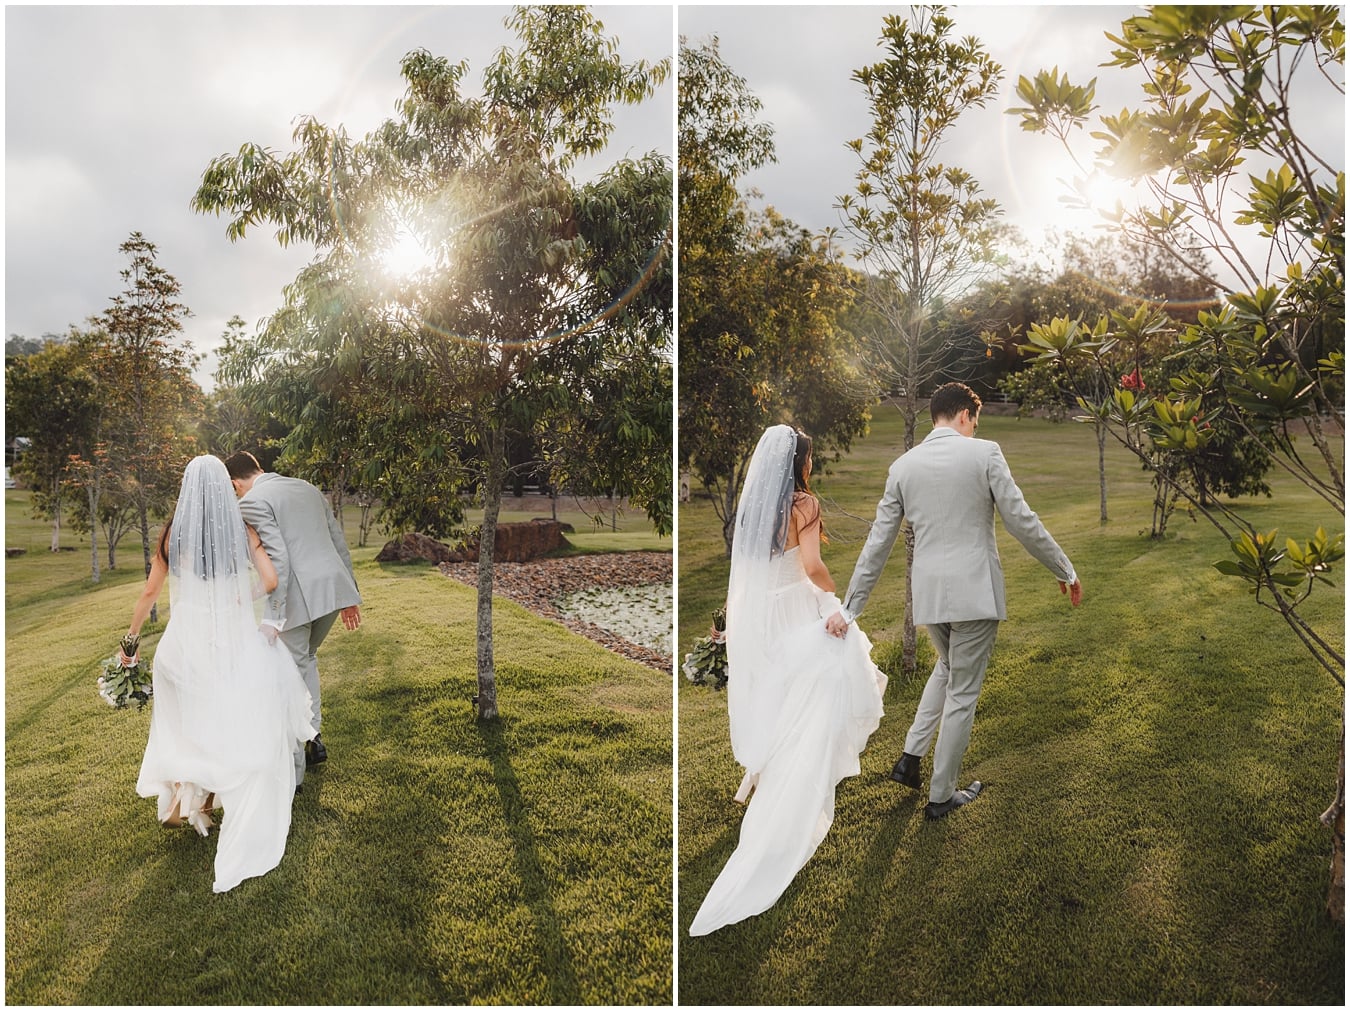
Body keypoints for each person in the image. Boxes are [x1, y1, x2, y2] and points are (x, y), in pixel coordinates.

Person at [825, 382, 1083, 820]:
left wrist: (851, 607)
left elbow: (878, 544)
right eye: (974, 422)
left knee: (948, 668)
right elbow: (1021, 520)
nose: (974, 429)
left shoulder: (902, 467)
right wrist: (1065, 569)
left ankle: (909, 757)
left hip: (930, 598)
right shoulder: (984, 453)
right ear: (965, 415)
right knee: (963, 690)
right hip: (976, 595)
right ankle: (941, 795)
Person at [689, 425, 887, 936]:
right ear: (800, 462)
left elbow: (749, 574)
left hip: (761, 618)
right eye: (811, 458)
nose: (812, 467)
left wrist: (730, 626)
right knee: (823, 684)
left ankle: (759, 777)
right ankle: (796, 778)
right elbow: (813, 565)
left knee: (777, 695)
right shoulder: (804, 505)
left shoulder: (755, 512)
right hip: (798, 607)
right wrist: (836, 598)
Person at [124, 455, 316, 892]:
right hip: (226, 644)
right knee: (224, 722)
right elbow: (269, 580)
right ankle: (204, 802)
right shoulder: (241, 531)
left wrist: (130, 645)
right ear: (223, 488)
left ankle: (184, 799)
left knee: (183, 725)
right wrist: (238, 596)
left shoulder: (173, 534)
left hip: (179, 648)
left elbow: (150, 592)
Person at [223, 452, 361, 783]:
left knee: (289, 676)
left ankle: (294, 775)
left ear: (234, 482)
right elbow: (337, 540)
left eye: (234, 490)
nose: (237, 496)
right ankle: (313, 739)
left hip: (297, 602)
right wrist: (350, 594)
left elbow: (279, 560)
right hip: (331, 592)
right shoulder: (306, 487)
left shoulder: (251, 502)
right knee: (305, 662)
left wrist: (273, 615)